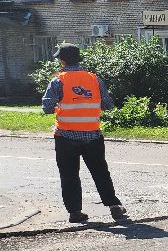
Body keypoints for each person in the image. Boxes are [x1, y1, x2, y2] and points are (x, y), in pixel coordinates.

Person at [40, 44, 128, 225]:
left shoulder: (58, 81)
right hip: (93, 136)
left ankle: (75, 213)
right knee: (100, 172)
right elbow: (108, 105)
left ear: (62, 61)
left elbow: (47, 108)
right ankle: (114, 207)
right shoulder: (94, 79)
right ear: (78, 59)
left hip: (65, 137)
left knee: (69, 175)